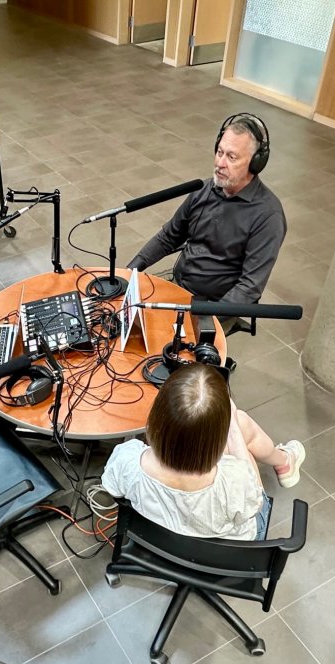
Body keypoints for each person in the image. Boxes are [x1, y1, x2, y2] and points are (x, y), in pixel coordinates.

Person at [101, 364, 304, 541]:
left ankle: (283, 460)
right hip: (226, 555)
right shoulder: (235, 480)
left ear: (156, 419)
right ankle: (284, 460)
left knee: (240, 430)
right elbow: (254, 506)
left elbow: (113, 488)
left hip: (157, 542)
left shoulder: (127, 459)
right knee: (242, 429)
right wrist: (233, 426)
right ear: (219, 438)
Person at [127, 114, 286, 333]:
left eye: (231, 157)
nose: (220, 163)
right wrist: (129, 271)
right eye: (220, 152)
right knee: (127, 323)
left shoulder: (268, 216)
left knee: (163, 344)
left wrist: (205, 322)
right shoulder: (203, 190)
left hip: (216, 306)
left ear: (255, 163)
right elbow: (168, 237)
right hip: (179, 287)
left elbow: (249, 287)